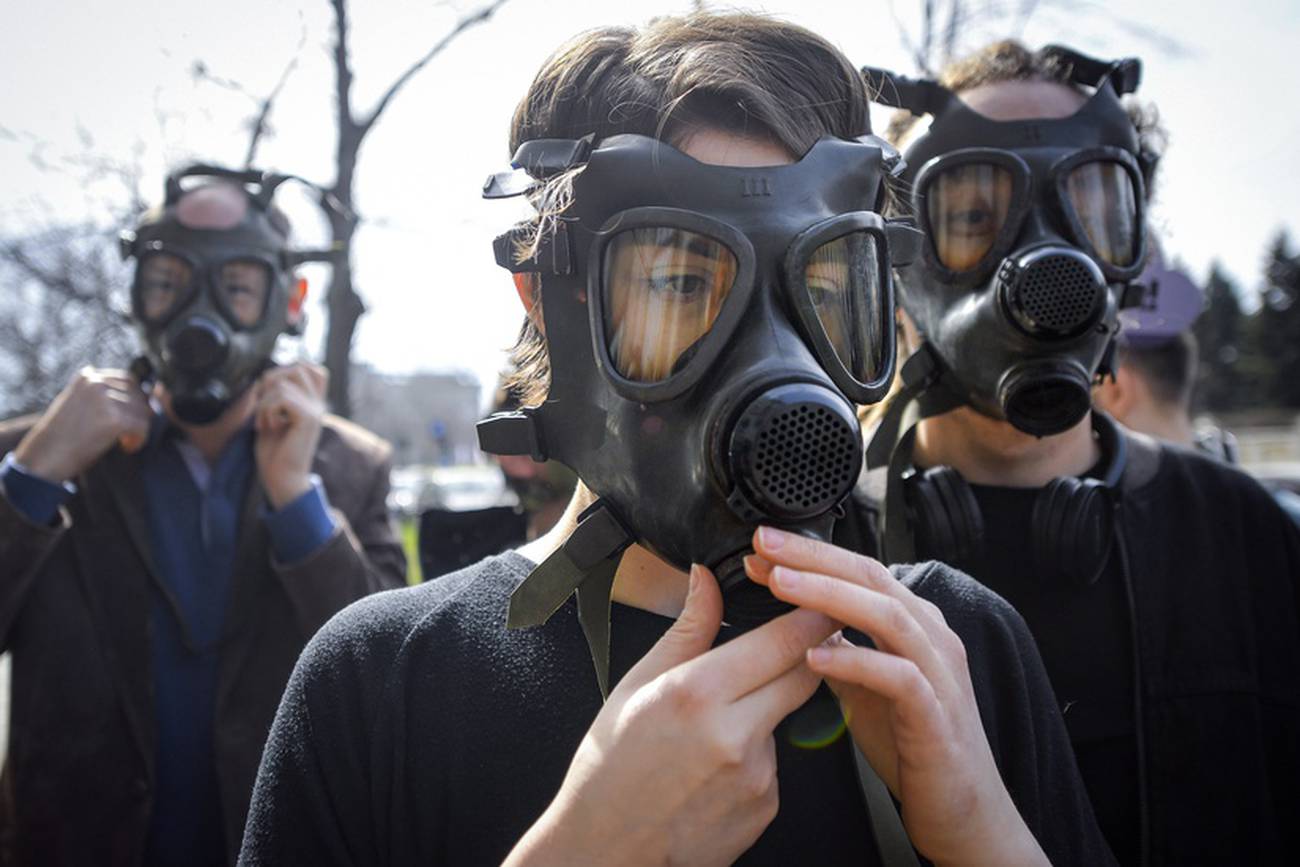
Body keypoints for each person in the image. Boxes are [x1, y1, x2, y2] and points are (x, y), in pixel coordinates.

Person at [240, 15, 1114, 867]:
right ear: (546, 296)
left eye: (820, 281)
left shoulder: (948, 651)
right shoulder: (381, 685)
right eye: (682, 279)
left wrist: (979, 834)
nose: (772, 353)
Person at [859, 41, 1300, 865]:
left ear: (1130, 249)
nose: (1047, 259)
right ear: (899, 259)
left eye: (1087, 207)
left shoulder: (1245, 541)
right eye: (974, 216)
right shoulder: (824, 552)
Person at [0, 165, 406, 867]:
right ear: (136, 294)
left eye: (237, 287)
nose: (199, 311)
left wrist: (297, 500)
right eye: (168, 282)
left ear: (291, 298)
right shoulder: (44, 453)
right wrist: (32, 479)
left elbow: (393, 685)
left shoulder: (348, 467)